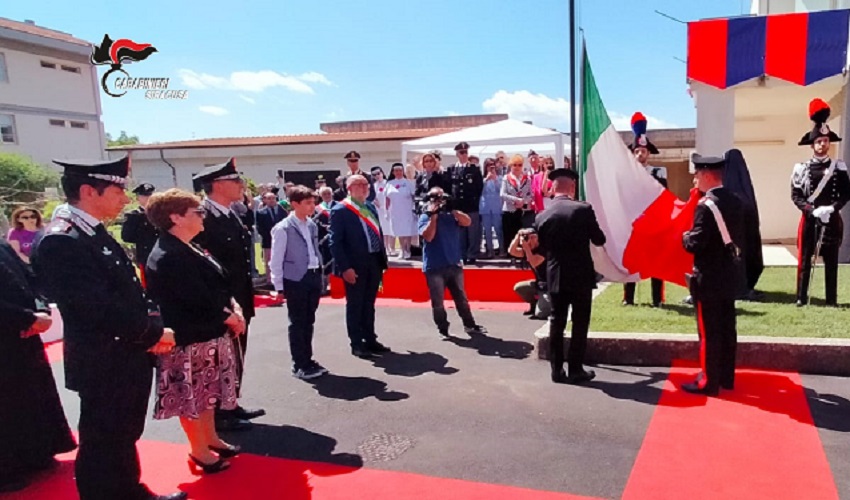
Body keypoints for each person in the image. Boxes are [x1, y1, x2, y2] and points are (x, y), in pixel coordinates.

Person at [31, 156, 186, 500]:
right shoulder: (64, 239)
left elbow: (128, 289)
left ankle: (129, 491)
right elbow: (95, 309)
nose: (126, 198)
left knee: (122, 433)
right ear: (88, 191)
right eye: (118, 189)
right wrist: (153, 333)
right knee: (103, 440)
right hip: (104, 359)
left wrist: (152, 324)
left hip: (124, 354)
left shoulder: (91, 231)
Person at [145, 189, 243, 475]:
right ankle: (198, 450)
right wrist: (230, 317)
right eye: (197, 212)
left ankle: (210, 438)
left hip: (209, 333)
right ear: (175, 217)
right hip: (189, 338)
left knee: (208, 392)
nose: (203, 216)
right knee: (192, 396)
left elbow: (217, 284)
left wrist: (233, 306)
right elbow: (194, 297)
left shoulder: (190, 245)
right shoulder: (168, 254)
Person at [192, 158, 265, 432]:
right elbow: (204, 267)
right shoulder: (203, 217)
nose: (241, 185)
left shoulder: (231, 212)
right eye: (235, 181)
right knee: (220, 357)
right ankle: (220, 412)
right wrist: (224, 305)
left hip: (239, 298)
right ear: (217, 185)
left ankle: (231, 403)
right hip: (222, 303)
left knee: (236, 353)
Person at [0, 238, 76, 493]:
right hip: (10, 330)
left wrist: (40, 308)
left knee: (30, 396)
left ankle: (36, 454)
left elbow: (28, 277)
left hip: (22, 337)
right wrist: (25, 318)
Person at [681, 154, 745, 396]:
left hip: (708, 278)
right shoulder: (736, 201)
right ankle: (727, 378)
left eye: (697, 174)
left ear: (707, 174)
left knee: (709, 332)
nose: (695, 178)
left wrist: (684, 237)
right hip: (729, 276)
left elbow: (695, 243)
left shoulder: (705, 206)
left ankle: (708, 381)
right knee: (728, 329)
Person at [535, 168, 606, 385]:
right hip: (581, 275)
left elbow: (541, 249)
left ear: (553, 188)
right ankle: (576, 369)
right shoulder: (583, 209)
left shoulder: (542, 216)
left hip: (556, 275)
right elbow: (599, 239)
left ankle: (556, 371)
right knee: (580, 322)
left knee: (557, 322)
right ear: (572, 187)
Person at [791, 98, 850, 307]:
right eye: (819, 141)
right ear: (812, 144)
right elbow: (796, 195)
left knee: (831, 260)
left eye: (825, 141)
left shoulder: (839, 167)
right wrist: (811, 210)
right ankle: (801, 297)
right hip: (810, 219)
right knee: (806, 258)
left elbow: (846, 193)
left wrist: (832, 208)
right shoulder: (801, 168)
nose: (822, 144)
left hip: (831, 219)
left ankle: (831, 300)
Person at [270, 186, 329, 380]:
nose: (312, 206)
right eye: (308, 203)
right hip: (295, 279)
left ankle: (308, 359)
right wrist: (278, 285)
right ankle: (299, 364)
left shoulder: (311, 225)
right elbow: (276, 259)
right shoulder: (283, 228)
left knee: (308, 320)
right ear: (295, 204)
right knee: (297, 322)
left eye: (313, 202)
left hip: (312, 275)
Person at [329, 174, 390, 359]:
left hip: (373, 262)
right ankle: (356, 343)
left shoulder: (370, 207)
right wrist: (345, 267)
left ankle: (370, 338)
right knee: (355, 304)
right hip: (354, 265)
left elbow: (377, 233)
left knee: (369, 303)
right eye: (359, 184)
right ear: (349, 188)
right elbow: (335, 243)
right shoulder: (341, 209)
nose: (364, 187)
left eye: (366, 184)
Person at [418, 186, 487, 338]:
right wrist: (433, 216)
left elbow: (468, 222)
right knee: (438, 302)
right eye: (436, 198)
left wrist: (453, 209)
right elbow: (428, 237)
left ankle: (469, 325)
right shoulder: (425, 217)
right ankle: (443, 328)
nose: (440, 202)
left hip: (454, 263)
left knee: (461, 298)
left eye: (442, 198)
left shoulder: (452, 216)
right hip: (434, 266)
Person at [623, 112, 667, 307]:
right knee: (631, 260)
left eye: (643, 151)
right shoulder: (625, 175)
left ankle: (657, 299)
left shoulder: (659, 172)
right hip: (632, 222)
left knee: (656, 260)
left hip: (654, 221)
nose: (640, 154)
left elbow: (664, 196)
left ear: (648, 153)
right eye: (637, 151)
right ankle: (628, 298)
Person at [447, 142, 484, 264]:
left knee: (473, 232)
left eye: (466, 152)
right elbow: (449, 187)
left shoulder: (474, 169)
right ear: (457, 154)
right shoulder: (451, 169)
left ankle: (472, 254)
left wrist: (474, 200)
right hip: (458, 205)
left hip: (471, 205)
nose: (464, 155)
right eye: (461, 152)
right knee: (460, 232)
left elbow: (479, 187)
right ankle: (462, 254)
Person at [508, 228, 550, 320]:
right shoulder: (528, 251)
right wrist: (518, 236)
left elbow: (533, 262)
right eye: (527, 237)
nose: (530, 240)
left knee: (541, 314)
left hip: (549, 286)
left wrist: (526, 247)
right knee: (519, 287)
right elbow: (512, 251)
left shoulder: (544, 250)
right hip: (539, 284)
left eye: (532, 237)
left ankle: (548, 305)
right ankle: (534, 303)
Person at [122, 183, 159, 287]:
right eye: (144, 196)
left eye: (150, 195)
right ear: (138, 198)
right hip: (146, 254)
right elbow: (126, 236)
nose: (148, 198)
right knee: (149, 285)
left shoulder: (161, 213)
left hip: (162, 253)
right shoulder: (134, 215)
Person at [501, 155, 534, 263]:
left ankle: (522, 256)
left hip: (522, 211)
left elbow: (531, 195)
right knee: (509, 234)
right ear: (511, 165)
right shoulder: (506, 178)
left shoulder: (527, 178)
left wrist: (523, 202)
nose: (517, 167)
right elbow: (502, 194)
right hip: (509, 210)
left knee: (522, 234)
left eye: (519, 165)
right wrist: (515, 200)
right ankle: (511, 256)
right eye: (515, 165)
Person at [386, 162, 418, 259]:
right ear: (393, 172)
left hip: (407, 210)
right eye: (396, 171)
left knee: (407, 231)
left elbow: (414, 196)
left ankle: (408, 249)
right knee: (399, 231)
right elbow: (387, 198)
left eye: (400, 170)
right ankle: (402, 250)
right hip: (395, 211)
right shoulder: (390, 184)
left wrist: (415, 209)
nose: (398, 172)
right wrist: (387, 211)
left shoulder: (408, 183)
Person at [256, 191, 287, 280]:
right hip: (268, 241)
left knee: (282, 260)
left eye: (273, 198)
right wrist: (270, 236)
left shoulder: (283, 211)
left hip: (282, 241)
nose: (272, 200)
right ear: (264, 200)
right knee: (269, 261)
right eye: (269, 198)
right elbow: (260, 228)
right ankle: (270, 280)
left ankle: (283, 278)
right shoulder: (260, 212)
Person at [479, 158, 504, 258]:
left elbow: (501, 191)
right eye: (489, 165)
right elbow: (479, 190)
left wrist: (495, 180)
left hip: (496, 207)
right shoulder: (482, 178)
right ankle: (490, 250)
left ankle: (502, 249)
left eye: (493, 165)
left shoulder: (499, 178)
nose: (491, 167)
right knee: (487, 231)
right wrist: (486, 179)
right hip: (485, 207)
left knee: (498, 229)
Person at [314, 186, 336, 293]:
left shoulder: (338, 205)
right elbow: (316, 221)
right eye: (324, 194)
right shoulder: (317, 208)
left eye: (328, 194)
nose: (327, 196)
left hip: (336, 235)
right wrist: (324, 226)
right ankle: (325, 283)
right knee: (325, 258)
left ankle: (336, 283)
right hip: (323, 237)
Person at [371, 166, 395, 256]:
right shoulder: (374, 185)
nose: (377, 176)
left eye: (378, 173)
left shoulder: (388, 183)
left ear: (382, 173)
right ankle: (385, 247)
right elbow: (373, 196)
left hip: (388, 208)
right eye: (374, 175)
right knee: (383, 229)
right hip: (379, 209)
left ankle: (391, 247)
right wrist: (377, 203)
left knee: (390, 229)